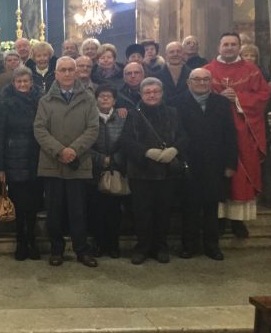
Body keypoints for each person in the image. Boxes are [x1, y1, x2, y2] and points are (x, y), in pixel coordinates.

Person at [33, 56, 99, 268]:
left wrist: (74, 150)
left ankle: (81, 249)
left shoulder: (88, 98)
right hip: (53, 164)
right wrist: (60, 150)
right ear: (57, 73)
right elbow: (40, 129)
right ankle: (56, 249)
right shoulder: (46, 100)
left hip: (78, 163)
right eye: (63, 70)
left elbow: (93, 129)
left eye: (71, 69)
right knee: (54, 212)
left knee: (78, 210)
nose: (68, 73)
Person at [204, 32, 271, 238]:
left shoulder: (251, 70)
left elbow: (263, 95)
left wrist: (238, 97)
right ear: (219, 47)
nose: (230, 47)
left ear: (239, 46)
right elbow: (197, 94)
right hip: (216, 131)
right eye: (226, 44)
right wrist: (217, 97)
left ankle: (238, 221)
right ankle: (219, 218)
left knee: (242, 174)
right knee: (216, 171)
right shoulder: (208, 70)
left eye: (234, 44)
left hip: (243, 128)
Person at [169, 68, 237, 260]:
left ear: (211, 82)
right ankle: (189, 246)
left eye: (205, 79)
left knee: (211, 208)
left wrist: (230, 163)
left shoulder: (221, 103)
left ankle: (212, 246)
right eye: (196, 79)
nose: (201, 82)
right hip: (187, 163)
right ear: (188, 82)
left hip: (214, 164)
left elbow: (230, 135)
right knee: (189, 207)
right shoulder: (176, 103)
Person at [119, 77, 188, 265]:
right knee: (141, 212)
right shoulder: (133, 114)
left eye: (155, 91)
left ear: (162, 93)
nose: (151, 95)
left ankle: (160, 247)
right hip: (141, 171)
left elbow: (183, 136)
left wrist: (174, 150)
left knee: (163, 211)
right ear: (141, 94)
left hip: (167, 172)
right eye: (147, 92)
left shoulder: (173, 113)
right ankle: (142, 247)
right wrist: (146, 152)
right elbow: (125, 141)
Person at [0, 67, 44, 261]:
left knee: (33, 205)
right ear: (14, 84)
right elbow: (0, 135)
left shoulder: (40, 102)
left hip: (36, 158)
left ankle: (32, 240)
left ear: (31, 82)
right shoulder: (5, 103)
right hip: (14, 159)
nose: (23, 85)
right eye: (19, 82)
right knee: (19, 204)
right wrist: (0, 167)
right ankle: (20, 242)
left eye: (26, 81)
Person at [88, 85, 126, 259]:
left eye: (108, 96)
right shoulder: (89, 117)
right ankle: (99, 244)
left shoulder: (123, 117)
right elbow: (85, 144)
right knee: (96, 210)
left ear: (114, 100)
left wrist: (114, 159)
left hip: (116, 171)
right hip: (94, 171)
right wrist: (100, 159)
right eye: (101, 96)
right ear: (96, 99)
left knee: (114, 211)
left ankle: (113, 245)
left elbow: (128, 142)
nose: (105, 99)